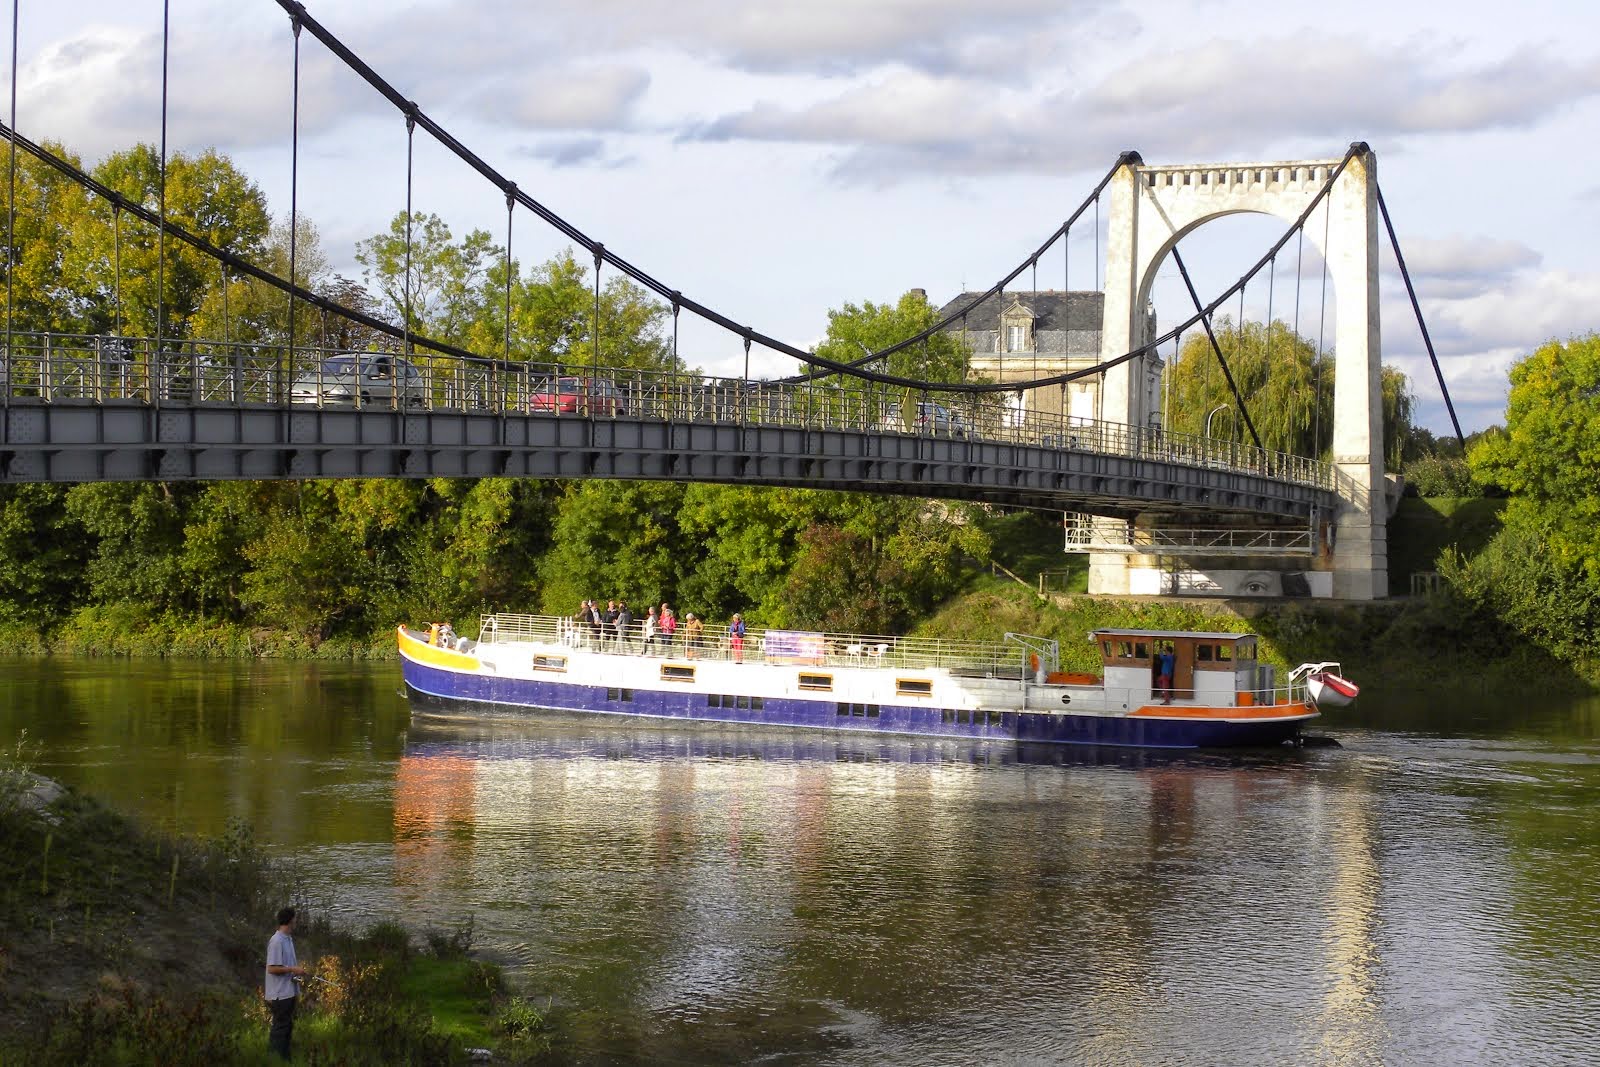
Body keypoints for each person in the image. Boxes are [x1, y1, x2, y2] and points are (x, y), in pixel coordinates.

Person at [265, 906, 308, 1060]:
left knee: (287, 1027)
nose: (296, 921)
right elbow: (271, 968)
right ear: (290, 920)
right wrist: (293, 969)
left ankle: (284, 1058)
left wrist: (296, 972)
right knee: (280, 1028)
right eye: (295, 919)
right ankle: (274, 1059)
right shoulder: (277, 941)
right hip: (279, 994)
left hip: (288, 992)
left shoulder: (287, 939)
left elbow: (286, 967)